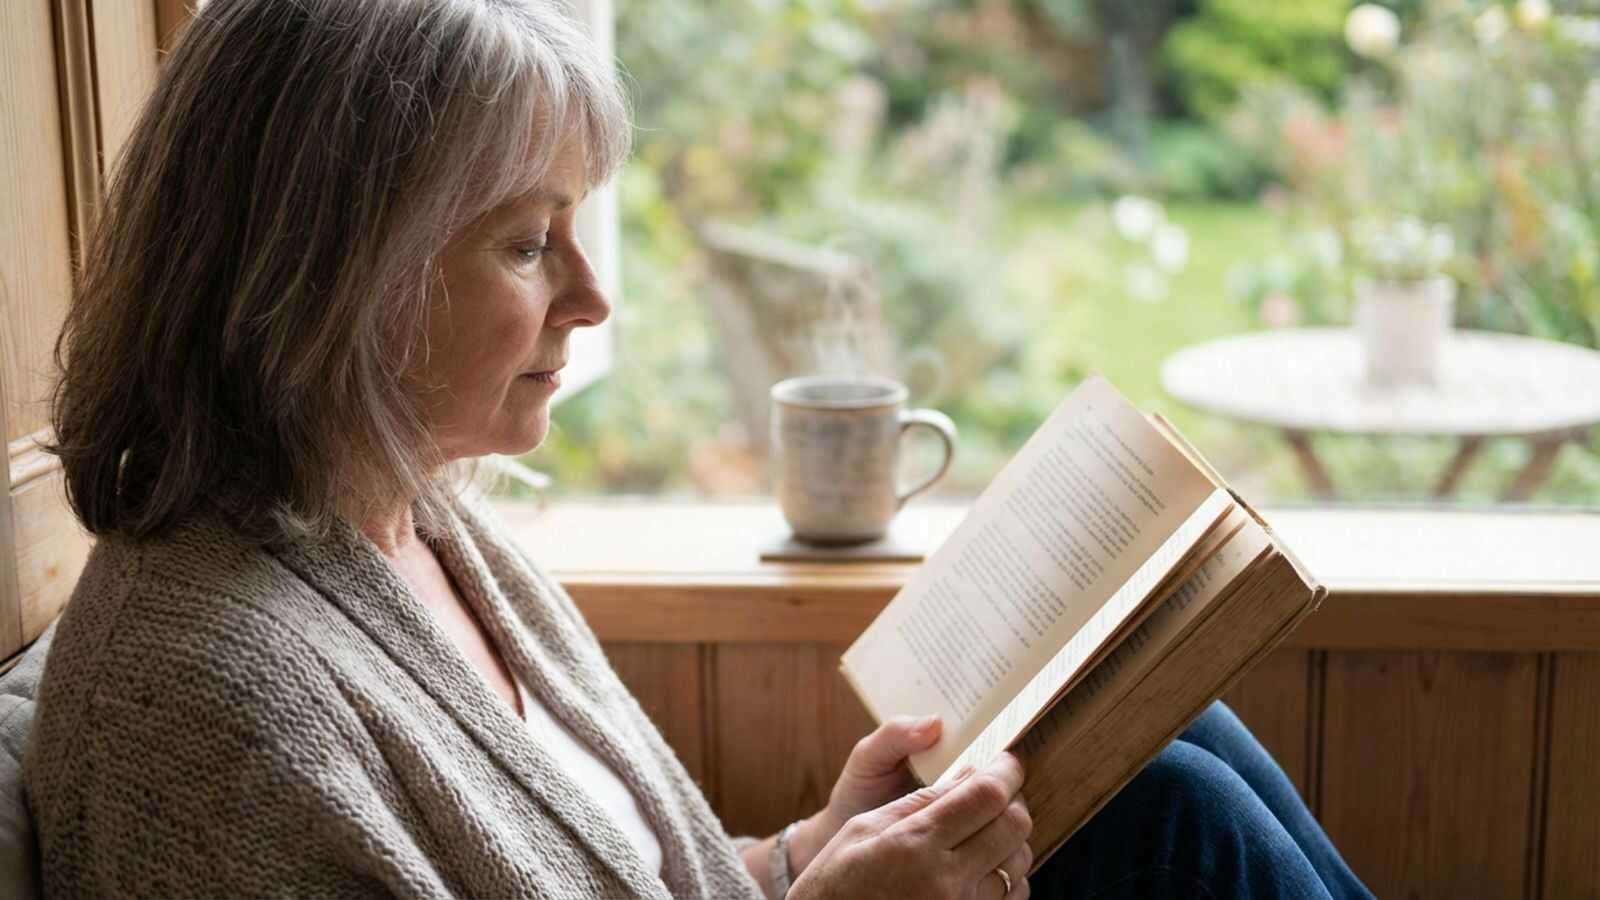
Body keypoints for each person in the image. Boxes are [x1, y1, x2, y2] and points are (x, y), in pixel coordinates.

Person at [25, 1, 1373, 898]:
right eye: (524, 241)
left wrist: (809, 849)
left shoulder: (414, 523)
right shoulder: (198, 710)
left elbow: (620, 873)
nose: (591, 299)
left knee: (1165, 737)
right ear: (325, 275)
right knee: (1172, 821)